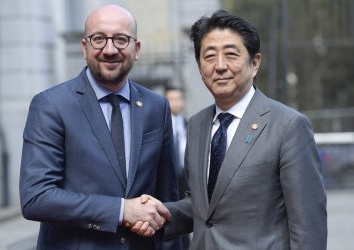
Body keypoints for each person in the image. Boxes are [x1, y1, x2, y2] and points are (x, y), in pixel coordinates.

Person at [131, 10, 327, 249]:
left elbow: (308, 230)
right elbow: (203, 206)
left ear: (254, 64)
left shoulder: (288, 126)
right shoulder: (197, 125)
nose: (220, 66)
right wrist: (157, 214)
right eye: (209, 56)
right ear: (200, 66)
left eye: (231, 55)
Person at [19, 4, 180, 250]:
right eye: (98, 39)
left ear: (136, 49)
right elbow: (36, 198)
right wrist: (121, 210)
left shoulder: (156, 107)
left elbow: (167, 201)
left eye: (121, 39)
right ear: (84, 48)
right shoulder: (52, 105)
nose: (110, 49)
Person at [165, 87, 190, 250]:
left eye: (178, 98)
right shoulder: (162, 126)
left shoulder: (189, 124)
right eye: (171, 99)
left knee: (187, 214)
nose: (175, 102)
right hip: (168, 178)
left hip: (185, 178)